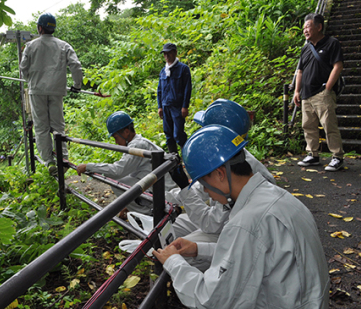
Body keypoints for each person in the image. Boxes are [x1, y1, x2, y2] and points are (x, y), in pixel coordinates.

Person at [153, 125, 330, 308]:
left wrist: (173, 262)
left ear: (220, 174)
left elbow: (210, 300)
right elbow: (250, 255)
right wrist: (199, 249)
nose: (206, 191)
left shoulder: (247, 222)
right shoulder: (277, 196)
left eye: (204, 184)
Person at [166, 99, 275, 272]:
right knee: (176, 224)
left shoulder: (233, 174)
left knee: (179, 254)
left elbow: (212, 224)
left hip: (234, 234)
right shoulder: (235, 157)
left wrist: (183, 191)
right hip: (226, 225)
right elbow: (203, 191)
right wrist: (165, 194)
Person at [76, 111, 178, 215]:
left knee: (117, 183)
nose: (116, 142)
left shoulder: (137, 145)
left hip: (166, 193)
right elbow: (128, 171)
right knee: (124, 180)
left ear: (126, 132)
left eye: (116, 137)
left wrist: (89, 166)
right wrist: (129, 205)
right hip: (159, 186)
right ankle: (141, 210)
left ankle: (149, 215)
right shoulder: (137, 143)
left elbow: (118, 171)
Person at [20, 12, 83, 175]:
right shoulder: (64, 45)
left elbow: (23, 69)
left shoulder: (30, 46)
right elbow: (76, 65)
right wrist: (77, 85)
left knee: (41, 127)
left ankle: (49, 162)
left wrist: (31, 80)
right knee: (58, 126)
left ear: (39, 28)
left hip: (37, 91)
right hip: (57, 90)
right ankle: (63, 160)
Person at [293, 13, 344, 171]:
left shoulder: (331, 43)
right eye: (304, 28)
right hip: (306, 94)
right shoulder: (305, 48)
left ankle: (337, 157)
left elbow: (338, 66)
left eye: (308, 27)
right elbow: (300, 71)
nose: (305, 31)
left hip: (322, 92)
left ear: (319, 27)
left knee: (329, 125)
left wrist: (328, 87)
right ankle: (313, 154)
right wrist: (296, 91)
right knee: (308, 125)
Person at [157, 43, 192, 154]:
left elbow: (187, 88)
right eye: (165, 54)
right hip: (165, 106)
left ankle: (187, 158)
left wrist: (185, 106)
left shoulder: (183, 69)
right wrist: (159, 107)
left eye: (169, 53)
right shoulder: (163, 71)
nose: (167, 56)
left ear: (175, 53)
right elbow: (159, 90)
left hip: (177, 107)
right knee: (168, 134)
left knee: (178, 134)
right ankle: (174, 162)